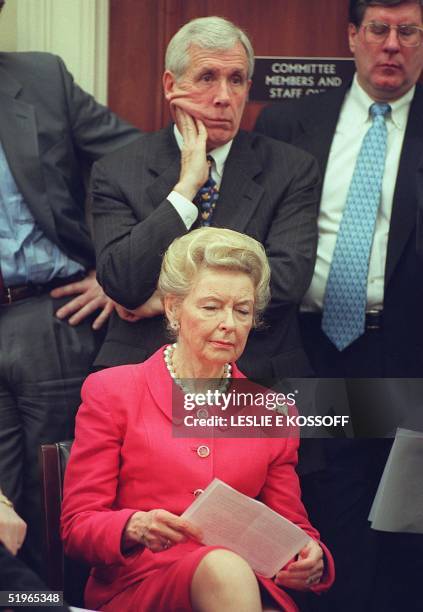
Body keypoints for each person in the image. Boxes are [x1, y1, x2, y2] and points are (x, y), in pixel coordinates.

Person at [61, 227, 335, 612]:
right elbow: (77, 528)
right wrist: (133, 525)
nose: (229, 323)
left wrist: (309, 556)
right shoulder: (112, 391)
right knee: (224, 567)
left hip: (240, 587)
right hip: (140, 586)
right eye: (211, 307)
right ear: (173, 308)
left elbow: (293, 528)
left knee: (230, 571)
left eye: (242, 310)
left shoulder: (274, 411)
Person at [255, 1, 423, 610]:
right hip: (309, 347)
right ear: (352, 36)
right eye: (378, 29)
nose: (392, 45)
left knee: (404, 519)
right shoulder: (288, 123)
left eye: (408, 32)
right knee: (318, 507)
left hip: (403, 351)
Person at [91, 15, 320, 382]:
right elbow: (121, 281)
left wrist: (169, 304)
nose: (223, 98)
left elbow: (288, 279)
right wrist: (185, 189)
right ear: (171, 84)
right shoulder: (117, 170)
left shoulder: (291, 168)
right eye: (207, 77)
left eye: (236, 80)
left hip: (258, 367)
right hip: (145, 366)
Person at [0, 0, 141, 576]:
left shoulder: (41, 78)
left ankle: (55, 603)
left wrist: (118, 273)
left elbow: (144, 166)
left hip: (51, 318)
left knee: (55, 504)